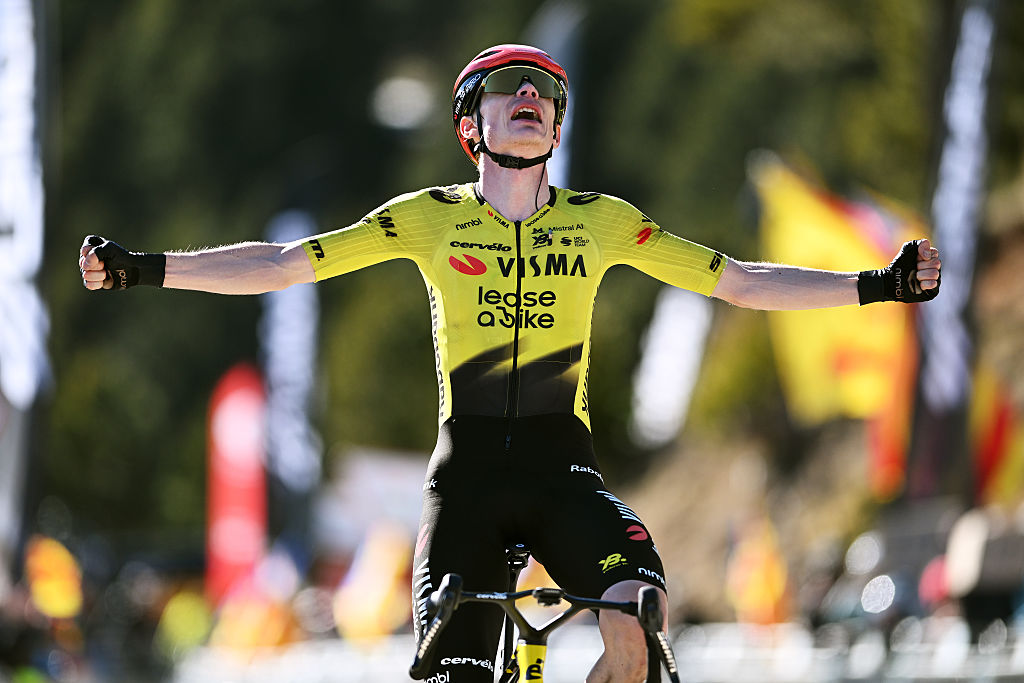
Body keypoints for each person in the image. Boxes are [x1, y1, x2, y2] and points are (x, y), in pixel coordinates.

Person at [79, 44, 941, 682]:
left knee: (636, 621)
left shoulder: (604, 221)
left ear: (558, 126)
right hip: (469, 483)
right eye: (504, 88)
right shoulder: (426, 217)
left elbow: (744, 283)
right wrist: (147, 267)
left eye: (545, 91)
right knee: (458, 672)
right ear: (470, 129)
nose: (528, 95)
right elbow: (282, 265)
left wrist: (877, 285)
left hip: (565, 471)